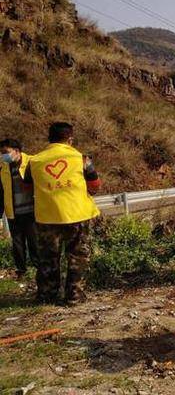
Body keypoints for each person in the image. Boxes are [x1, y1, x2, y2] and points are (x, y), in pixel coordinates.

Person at [23, 122, 102, 305]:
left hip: (47, 217)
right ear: (70, 139)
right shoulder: (82, 159)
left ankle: (47, 295)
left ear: (49, 139)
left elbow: (27, 188)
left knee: (48, 258)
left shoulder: (34, 161)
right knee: (78, 256)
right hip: (78, 215)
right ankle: (74, 295)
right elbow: (95, 185)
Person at [0, 139, 38, 278]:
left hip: (32, 211)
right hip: (14, 213)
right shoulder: (3, 169)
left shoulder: (32, 162)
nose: (3, 156)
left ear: (17, 151)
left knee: (34, 242)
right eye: (1, 153)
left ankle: (38, 269)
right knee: (17, 245)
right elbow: (1, 192)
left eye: (6, 152)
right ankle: (21, 271)